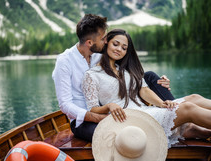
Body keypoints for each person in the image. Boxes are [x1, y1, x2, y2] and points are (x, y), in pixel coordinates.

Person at [52, 14, 174, 142]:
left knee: (149, 76)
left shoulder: (98, 55)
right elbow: (65, 104)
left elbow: (131, 74)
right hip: (84, 121)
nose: (106, 41)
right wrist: (97, 117)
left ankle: (173, 110)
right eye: (103, 38)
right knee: (117, 136)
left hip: (106, 109)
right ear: (89, 43)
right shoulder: (64, 61)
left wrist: (161, 80)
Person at [82, 29, 211, 147]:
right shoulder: (92, 75)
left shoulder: (125, 71)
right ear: (106, 43)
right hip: (130, 120)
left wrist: (161, 103)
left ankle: (189, 130)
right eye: (115, 44)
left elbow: (143, 90)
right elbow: (92, 108)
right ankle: (188, 129)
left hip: (144, 110)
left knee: (194, 98)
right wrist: (109, 106)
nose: (119, 49)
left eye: (124, 47)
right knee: (188, 108)